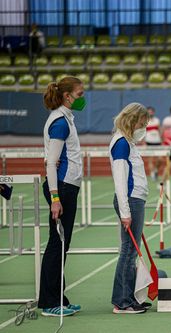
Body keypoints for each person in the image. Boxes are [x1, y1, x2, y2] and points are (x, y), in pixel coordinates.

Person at [40, 76, 85, 316]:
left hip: (68, 186)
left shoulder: (65, 119)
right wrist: (55, 198)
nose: (82, 98)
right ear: (67, 96)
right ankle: (49, 303)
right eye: (79, 94)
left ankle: (59, 297)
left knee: (61, 244)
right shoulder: (59, 122)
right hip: (63, 189)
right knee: (57, 244)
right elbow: (50, 163)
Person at [109, 102, 151, 314]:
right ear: (132, 121)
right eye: (142, 123)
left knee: (130, 251)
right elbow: (120, 179)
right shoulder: (121, 143)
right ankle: (122, 301)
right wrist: (125, 212)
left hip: (135, 200)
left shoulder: (127, 142)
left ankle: (129, 297)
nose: (143, 128)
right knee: (128, 251)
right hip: (130, 200)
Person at [145, 106, 162, 181]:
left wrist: (162, 139)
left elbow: (160, 130)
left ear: (153, 112)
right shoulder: (145, 121)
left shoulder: (157, 120)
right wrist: (143, 142)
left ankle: (155, 170)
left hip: (157, 141)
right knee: (150, 159)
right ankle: (152, 173)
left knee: (160, 159)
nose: (150, 112)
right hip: (149, 141)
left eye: (151, 111)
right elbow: (143, 132)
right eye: (149, 111)